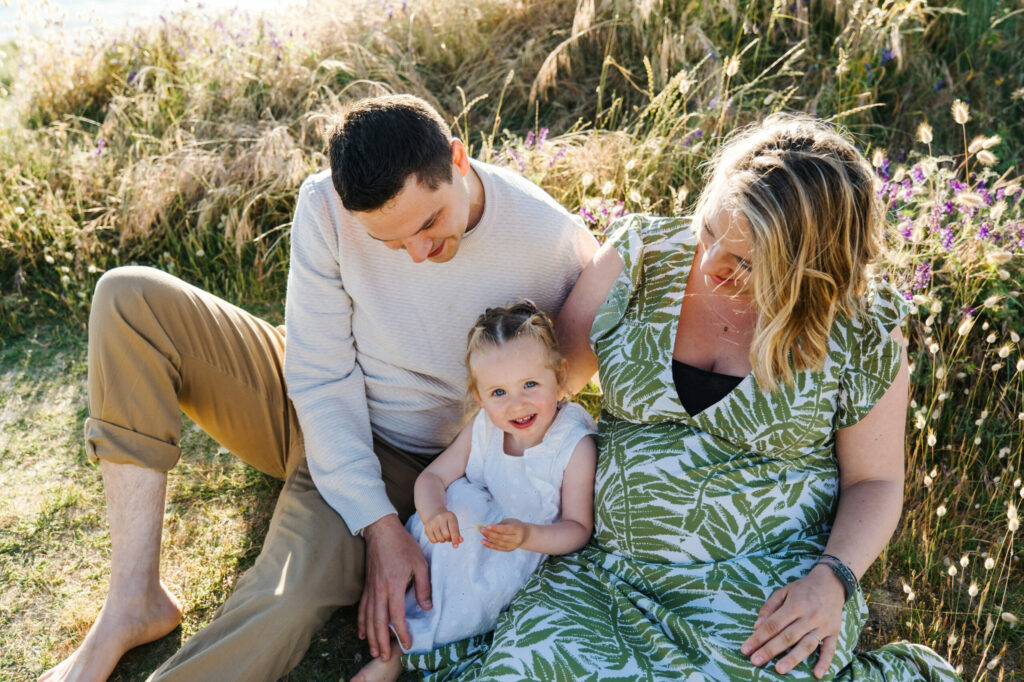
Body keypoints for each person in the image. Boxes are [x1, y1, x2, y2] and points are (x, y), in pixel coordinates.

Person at [39, 94, 598, 682]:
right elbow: (320, 375)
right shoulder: (324, 203)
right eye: (390, 242)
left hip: (404, 457)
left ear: (459, 159)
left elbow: (573, 369)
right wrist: (378, 529)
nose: (418, 252)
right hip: (308, 391)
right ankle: (133, 600)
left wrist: (384, 515)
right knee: (129, 296)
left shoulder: (550, 242)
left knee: (288, 598)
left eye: (429, 223)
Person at [414, 114, 959, 680]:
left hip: (762, 584)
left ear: (809, 267)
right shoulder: (642, 259)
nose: (710, 263)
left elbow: (875, 481)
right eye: (709, 232)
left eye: (747, 262)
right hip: (607, 573)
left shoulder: (860, 328)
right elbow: (543, 386)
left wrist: (832, 580)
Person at [352, 301, 598, 682]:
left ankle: (400, 654)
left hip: (522, 546)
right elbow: (431, 479)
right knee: (457, 508)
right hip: (469, 529)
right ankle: (402, 616)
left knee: (467, 568)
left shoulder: (573, 446)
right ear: (479, 396)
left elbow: (579, 528)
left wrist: (530, 536)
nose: (517, 404)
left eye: (530, 384)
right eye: (498, 392)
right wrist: (435, 513)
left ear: (560, 376)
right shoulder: (484, 426)